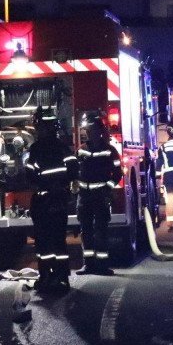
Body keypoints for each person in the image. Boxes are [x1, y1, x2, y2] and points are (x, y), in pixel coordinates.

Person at [26, 106, 78, 294]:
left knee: (44, 242)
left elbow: (29, 174)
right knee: (57, 241)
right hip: (57, 201)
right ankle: (60, 278)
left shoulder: (36, 149)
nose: (38, 131)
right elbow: (74, 170)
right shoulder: (62, 147)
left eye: (39, 127)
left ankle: (47, 278)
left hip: (44, 201)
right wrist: (62, 185)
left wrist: (43, 183)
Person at [75, 113, 123, 275]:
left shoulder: (110, 151)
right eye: (88, 130)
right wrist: (75, 184)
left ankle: (102, 266)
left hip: (100, 197)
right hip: (84, 197)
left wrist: (107, 189)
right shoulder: (81, 150)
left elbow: (117, 174)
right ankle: (88, 265)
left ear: (99, 131)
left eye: (92, 130)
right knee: (86, 231)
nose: (89, 133)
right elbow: (75, 170)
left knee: (101, 231)